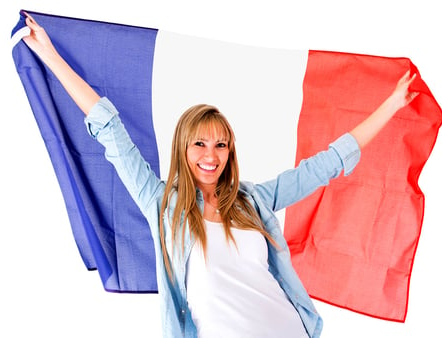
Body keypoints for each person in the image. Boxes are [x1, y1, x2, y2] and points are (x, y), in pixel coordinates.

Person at [22, 12, 418, 338]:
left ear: (230, 151)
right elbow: (111, 130)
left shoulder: (254, 200)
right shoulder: (163, 205)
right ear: (183, 148)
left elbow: (326, 164)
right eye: (199, 144)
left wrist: (391, 106)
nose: (211, 156)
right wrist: (51, 55)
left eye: (220, 145)